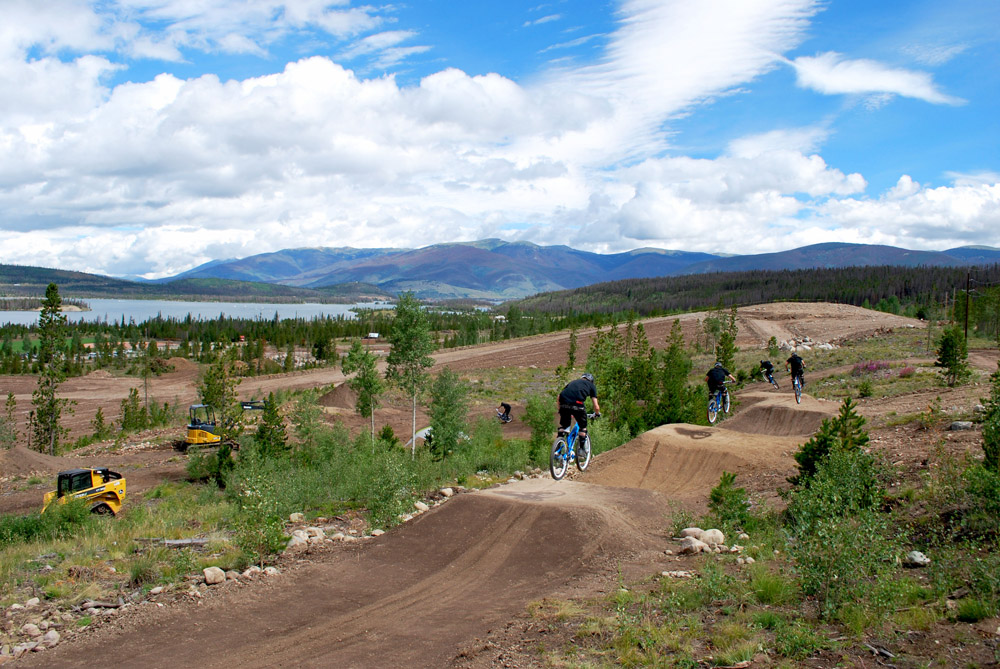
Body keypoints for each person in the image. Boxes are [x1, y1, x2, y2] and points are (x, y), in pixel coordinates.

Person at [557, 372, 601, 442]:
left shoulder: (573, 382)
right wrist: (597, 413)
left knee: (564, 426)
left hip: (563, 403)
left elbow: (559, 396)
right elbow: (596, 406)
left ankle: (558, 444)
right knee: (583, 427)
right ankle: (581, 450)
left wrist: (560, 409)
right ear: (591, 381)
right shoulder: (591, 386)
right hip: (578, 405)